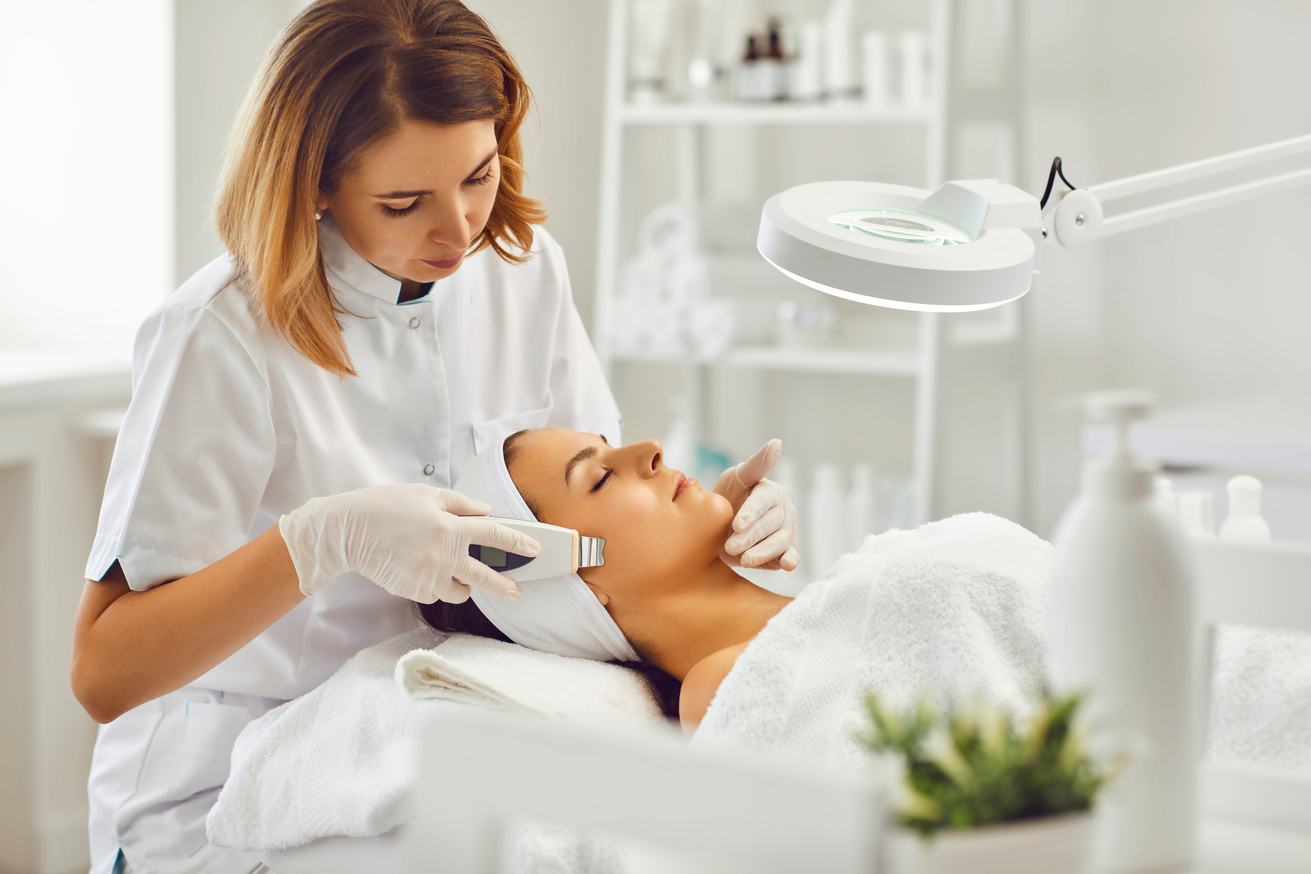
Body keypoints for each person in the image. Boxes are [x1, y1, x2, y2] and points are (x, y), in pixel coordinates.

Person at [69, 3, 797, 872]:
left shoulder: (523, 270)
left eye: (479, 177)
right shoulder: (220, 336)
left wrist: (715, 533)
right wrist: (314, 543)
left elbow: (591, 549)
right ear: (314, 183)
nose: (458, 232)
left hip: (430, 735)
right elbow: (104, 673)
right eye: (404, 201)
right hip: (228, 786)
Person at [425, 427, 796, 730]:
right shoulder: (725, 689)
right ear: (578, 589)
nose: (652, 448)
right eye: (601, 478)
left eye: (610, 445)